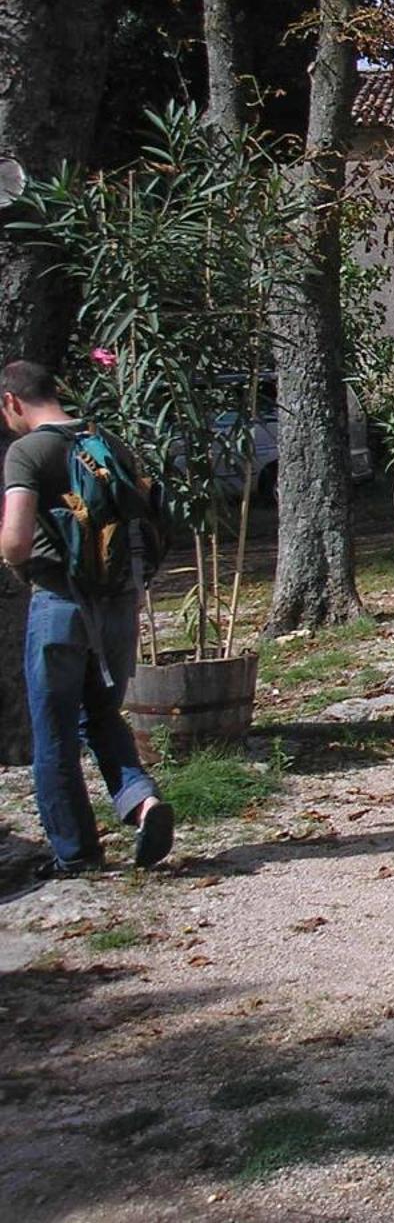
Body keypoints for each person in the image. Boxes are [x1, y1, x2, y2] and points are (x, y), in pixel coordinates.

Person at [0, 359, 175, 879]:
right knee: (101, 714)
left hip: (60, 605)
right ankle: (142, 802)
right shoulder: (105, 441)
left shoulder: (28, 452)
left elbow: (15, 539)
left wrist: (16, 562)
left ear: (12, 402)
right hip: (119, 603)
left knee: (53, 730)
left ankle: (76, 853)